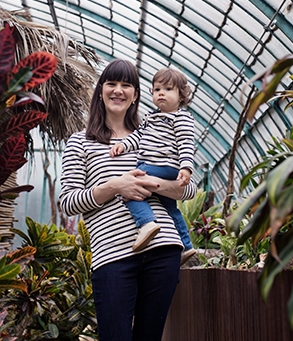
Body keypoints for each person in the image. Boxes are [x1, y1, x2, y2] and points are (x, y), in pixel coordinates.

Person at [58, 60, 197, 341]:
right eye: (111, 83)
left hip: (163, 248)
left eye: (126, 85)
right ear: (101, 91)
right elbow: (69, 202)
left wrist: (154, 184)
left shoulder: (153, 132)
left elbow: (189, 190)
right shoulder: (80, 142)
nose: (118, 91)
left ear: (135, 94)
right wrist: (115, 186)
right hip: (112, 256)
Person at [109, 68, 196, 264]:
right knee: (170, 207)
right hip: (159, 167)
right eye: (157, 90)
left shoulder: (181, 118)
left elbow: (186, 143)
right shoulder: (151, 117)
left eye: (168, 89)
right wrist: (123, 145)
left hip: (162, 165)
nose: (161, 93)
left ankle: (146, 223)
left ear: (181, 96)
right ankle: (187, 246)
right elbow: (138, 137)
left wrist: (186, 167)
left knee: (130, 188)